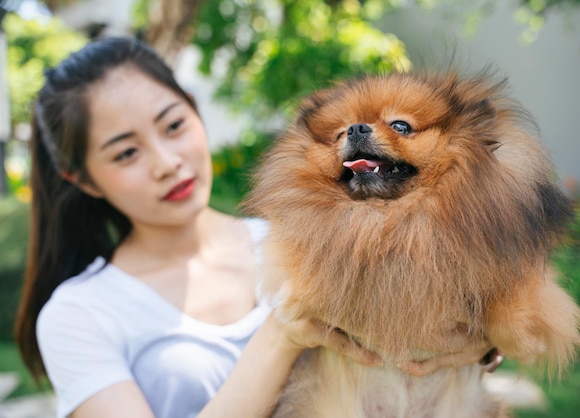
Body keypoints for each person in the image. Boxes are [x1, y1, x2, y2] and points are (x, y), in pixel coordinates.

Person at [13, 36, 502, 418]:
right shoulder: (79, 315)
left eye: (173, 126)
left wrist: (481, 341)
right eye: (125, 153)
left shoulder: (288, 241)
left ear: (194, 108)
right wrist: (282, 334)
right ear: (82, 179)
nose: (166, 162)